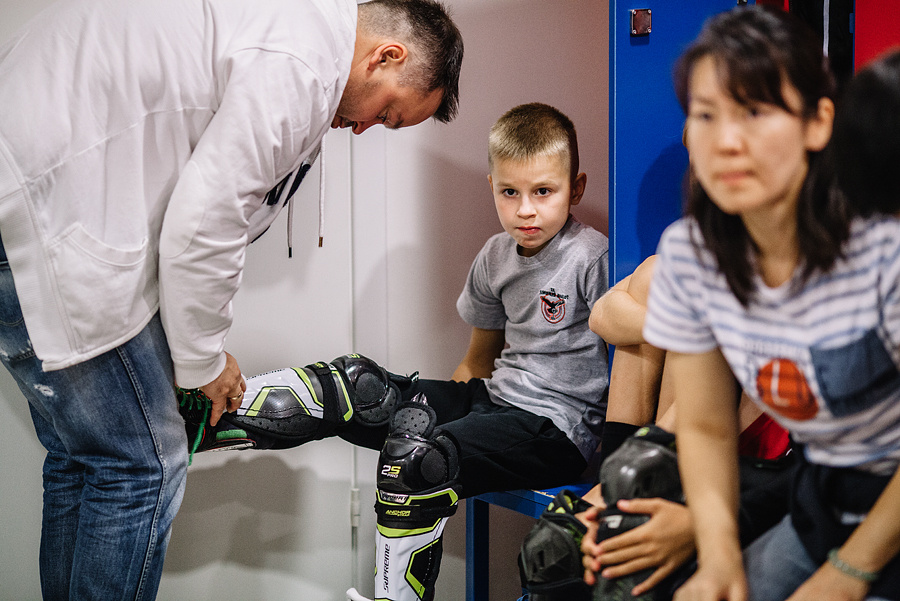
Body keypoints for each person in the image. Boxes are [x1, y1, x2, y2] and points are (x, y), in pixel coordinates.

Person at [0, 0, 463, 598]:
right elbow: (204, 225)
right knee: (143, 464)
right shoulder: (301, 62)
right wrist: (204, 365)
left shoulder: (287, 29)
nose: (369, 128)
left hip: (29, 200)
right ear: (386, 56)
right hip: (38, 207)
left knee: (83, 457)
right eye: (390, 114)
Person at [183, 102, 610, 601]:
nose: (526, 209)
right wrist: (438, 419)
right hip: (497, 399)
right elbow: (478, 361)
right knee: (356, 386)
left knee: (419, 458)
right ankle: (191, 424)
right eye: (509, 192)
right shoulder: (496, 254)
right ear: (492, 184)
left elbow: (629, 363)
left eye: (544, 191)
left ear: (575, 188)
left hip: (556, 428)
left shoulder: (591, 256)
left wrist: (608, 458)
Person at [643, 6, 900, 601]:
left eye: (755, 112)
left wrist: (849, 575)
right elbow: (706, 425)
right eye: (706, 115)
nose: (726, 141)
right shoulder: (690, 255)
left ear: (818, 123)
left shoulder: (882, 244)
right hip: (824, 493)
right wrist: (718, 557)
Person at [517, 254, 792, 601]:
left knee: (702, 312)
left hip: (755, 472)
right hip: (683, 448)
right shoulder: (717, 256)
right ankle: (625, 485)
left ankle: (627, 491)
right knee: (659, 281)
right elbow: (602, 314)